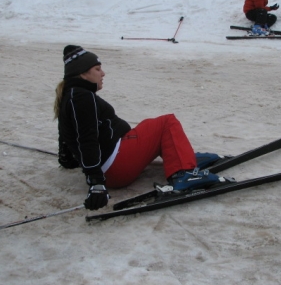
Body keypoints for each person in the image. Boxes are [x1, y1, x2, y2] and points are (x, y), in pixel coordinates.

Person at [54, 45, 223, 210]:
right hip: (115, 167)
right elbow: (86, 139)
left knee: (148, 125)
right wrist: (96, 183)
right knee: (167, 122)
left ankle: (179, 155)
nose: (103, 73)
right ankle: (184, 173)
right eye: (98, 69)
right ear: (83, 73)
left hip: (113, 160)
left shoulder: (72, 95)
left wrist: (67, 159)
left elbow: (67, 132)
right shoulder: (82, 97)